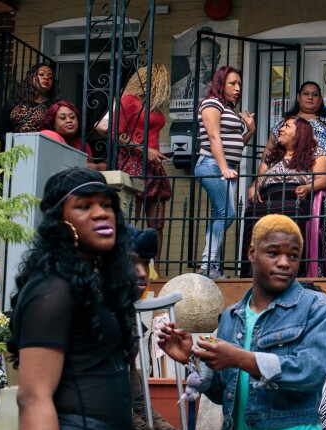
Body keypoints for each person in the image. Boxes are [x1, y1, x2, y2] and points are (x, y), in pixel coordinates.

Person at [157, 214, 326, 430]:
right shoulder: (231, 317)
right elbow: (224, 391)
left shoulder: (315, 307)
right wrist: (193, 359)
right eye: (273, 253)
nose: (284, 263)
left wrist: (240, 357)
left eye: (293, 255)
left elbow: (310, 372)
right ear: (252, 253)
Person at [8, 168, 155, 430]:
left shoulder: (94, 284)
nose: (101, 213)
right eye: (84, 206)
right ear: (60, 221)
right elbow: (33, 397)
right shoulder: (53, 289)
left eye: (106, 205)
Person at [125, 226, 235, 430]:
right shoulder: (102, 316)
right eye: (132, 263)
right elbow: (121, 416)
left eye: (146, 263)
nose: (142, 273)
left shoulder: (122, 316)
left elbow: (138, 404)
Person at [262, 81, 326, 276]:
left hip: (325, 182)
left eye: (315, 94)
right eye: (306, 93)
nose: (310, 97)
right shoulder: (285, 123)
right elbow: (269, 150)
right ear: (298, 97)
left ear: (321, 99)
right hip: (290, 182)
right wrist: (259, 180)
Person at [240, 116, 326, 277]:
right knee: (251, 213)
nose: (281, 129)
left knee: (291, 210)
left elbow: (324, 179)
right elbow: (259, 179)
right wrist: (253, 188)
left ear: (300, 132)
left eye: (287, 126)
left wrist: (308, 187)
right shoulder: (272, 156)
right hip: (268, 198)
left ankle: (295, 271)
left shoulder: (316, 153)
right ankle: (250, 272)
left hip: (296, 199)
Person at [195, 66, 256, 279]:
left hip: (225, 167)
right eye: (232, 83)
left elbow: (236, 144)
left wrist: (250, 130)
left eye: (239, 83)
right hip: (212, 164)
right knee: (226, 213)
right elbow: (214, 138)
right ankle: (208, 265)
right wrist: (223, 169)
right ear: (221, 84)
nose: (237, 88)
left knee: (222, 214)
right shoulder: (211, 103)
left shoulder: (228, 108)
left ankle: (209, 265)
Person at [116, 63, 171, 268]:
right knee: (133, 219)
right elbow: (116, 134)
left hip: (154, 166)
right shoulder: (129, 101)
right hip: (134, 162)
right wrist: (144, 150)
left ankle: (155, 270)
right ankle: (129, 266)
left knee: (157, 224)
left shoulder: (152, 106)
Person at [40, 100, 105, 171]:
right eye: (62, 118)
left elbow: (89, 172)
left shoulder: (82, 144)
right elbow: (66, 164)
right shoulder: (48, 135)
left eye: (72, 117)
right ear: (53, 124)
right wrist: (98, 167)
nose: (69, 120)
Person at [1, 63, 59, 135]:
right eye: (41, 74)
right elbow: (4, 133)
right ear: (31, 77)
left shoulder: (54, 107)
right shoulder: (13, 104)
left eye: (50, 77)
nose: (46, 78)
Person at [171, 31, 221, 101]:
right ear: (189, 60)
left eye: (208, 60)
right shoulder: (176, 90)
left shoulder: (226, 85)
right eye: (195, 60)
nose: (201, 67)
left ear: (218, 60)